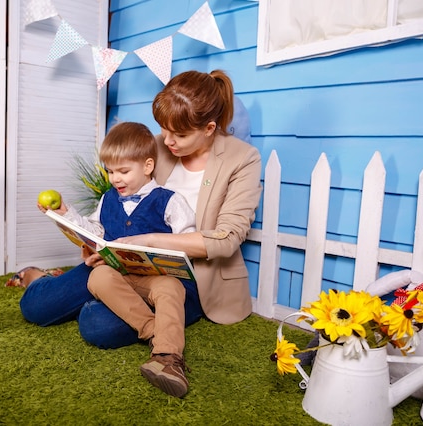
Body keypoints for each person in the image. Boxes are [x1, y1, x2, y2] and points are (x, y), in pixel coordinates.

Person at [17, 69, 262, 397]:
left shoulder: (242, 159)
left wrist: (148, 241)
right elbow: (118, 204)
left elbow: (227, 238)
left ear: (209, 128)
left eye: (178, 134)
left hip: (185, 279)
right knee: (37, 306)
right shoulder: (158, 145)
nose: (167, 140)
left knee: (97, 325)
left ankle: (155, 342)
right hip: (119, 263)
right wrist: (92, 244)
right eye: (163, 129)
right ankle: (44, 279)